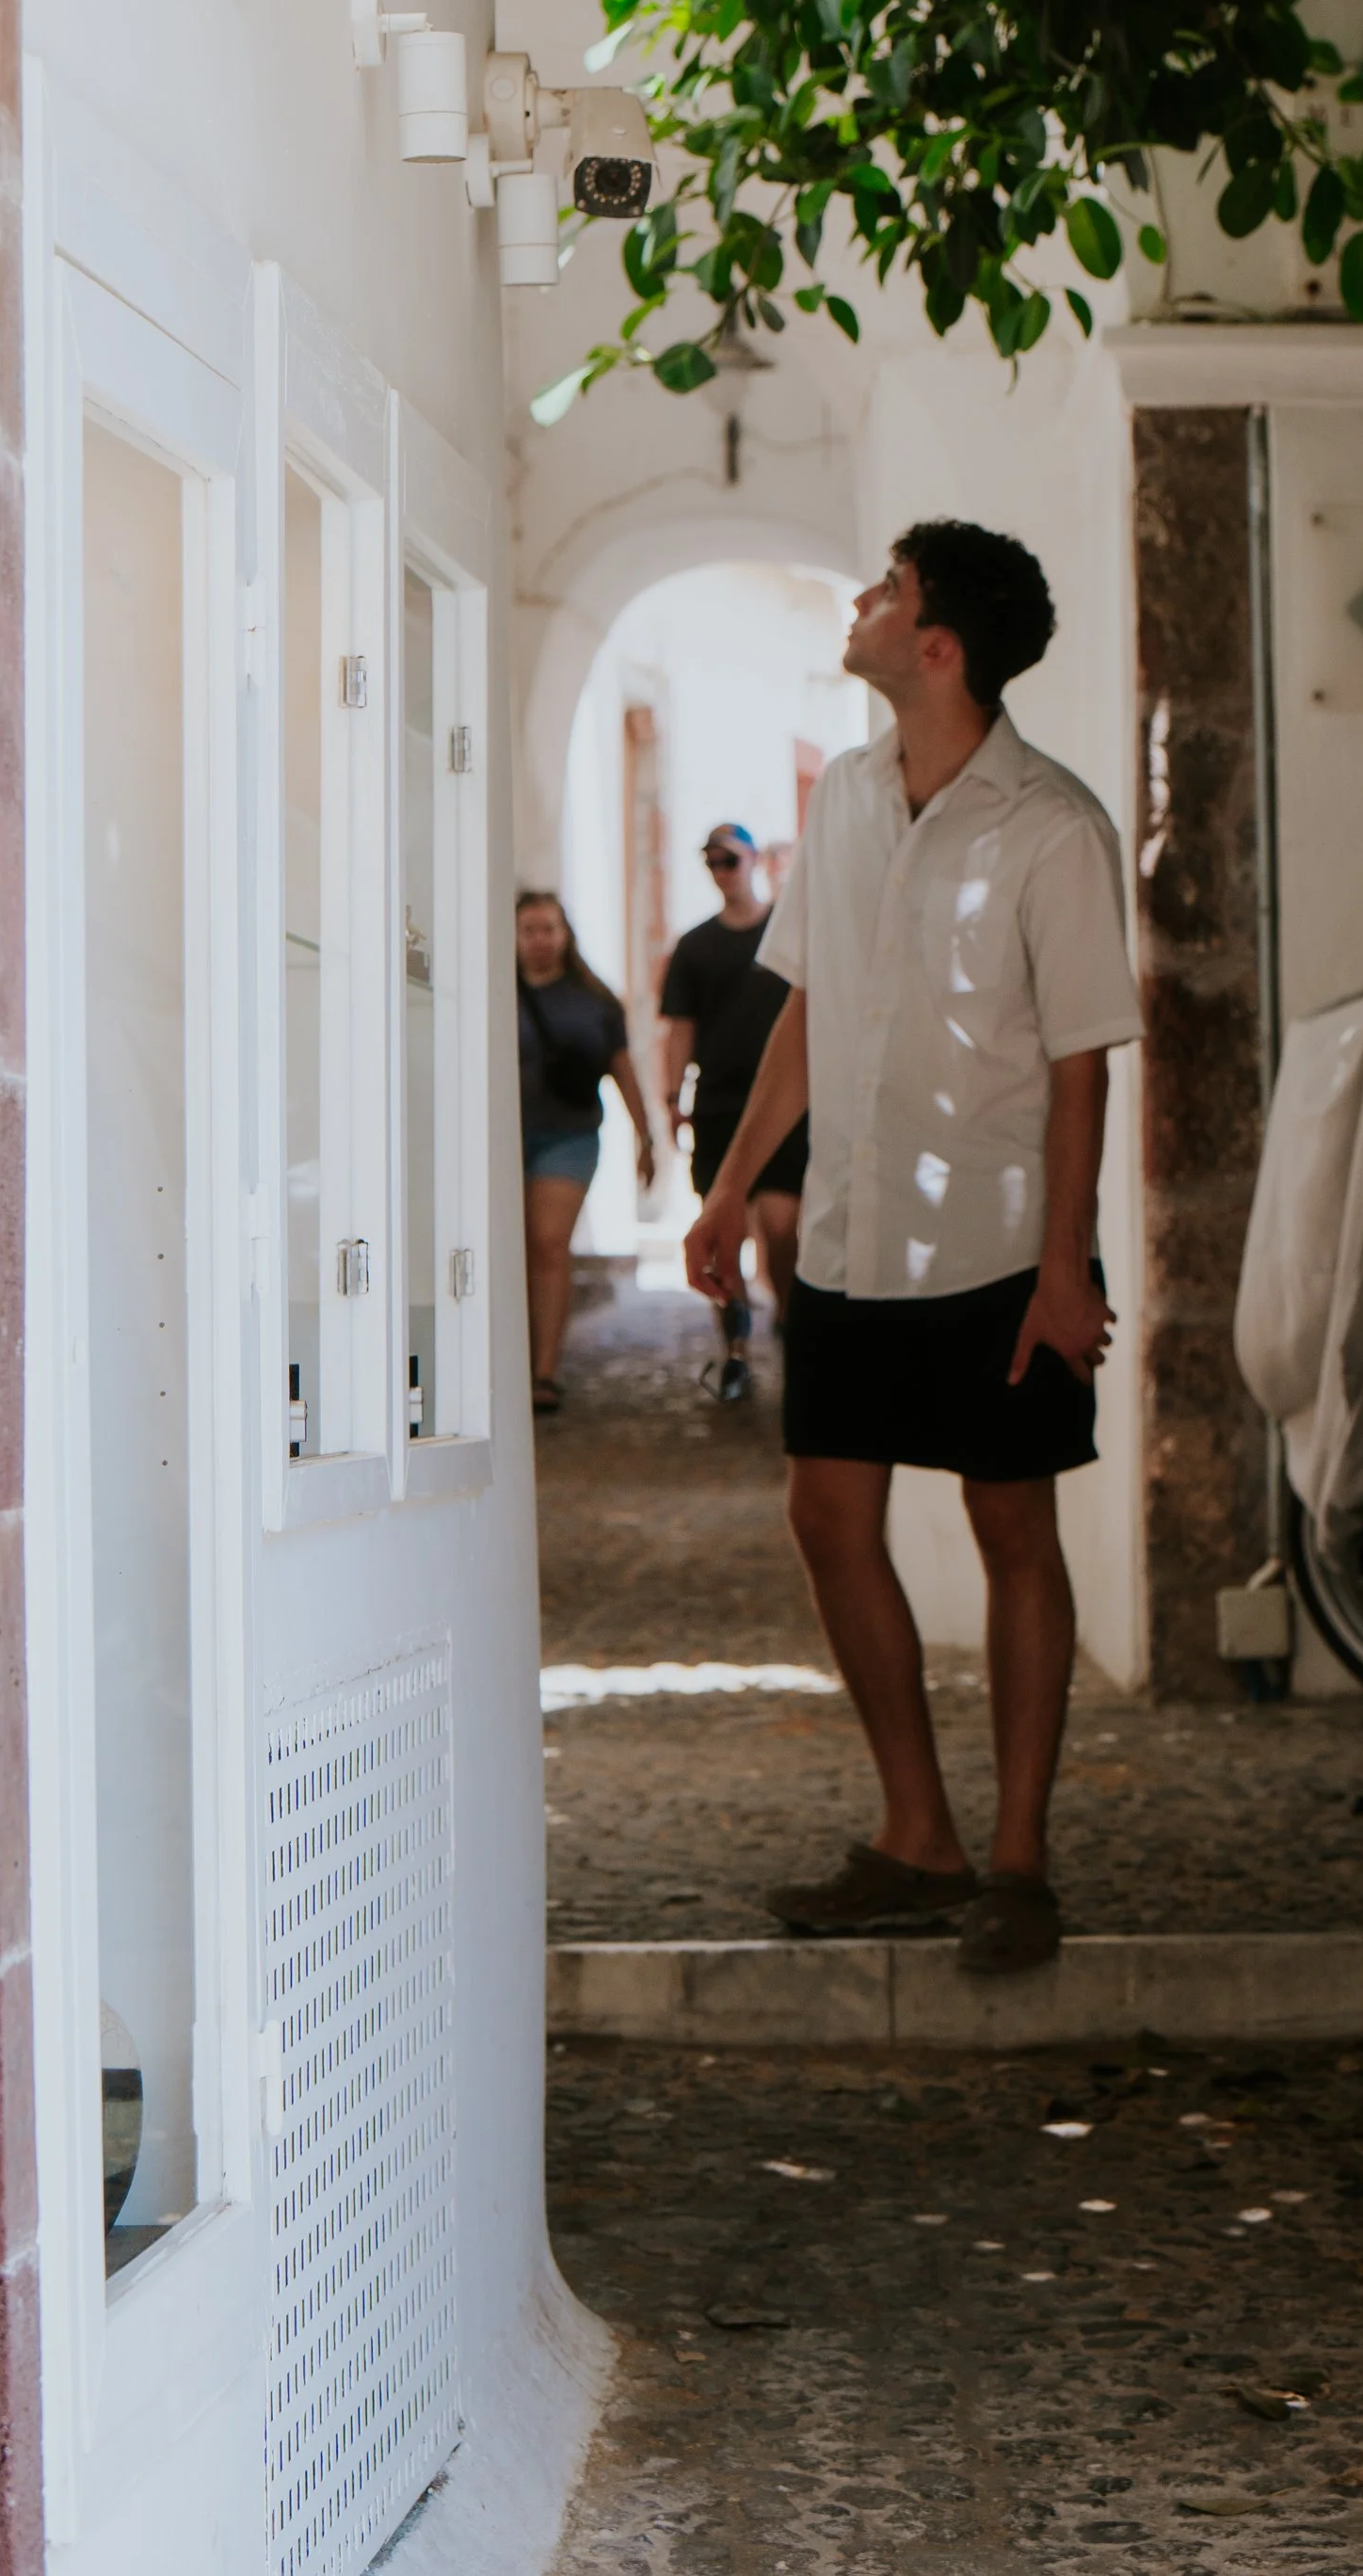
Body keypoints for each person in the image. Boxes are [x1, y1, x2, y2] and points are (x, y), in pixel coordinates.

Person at [685, 520, 1142, 1976]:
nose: (863, 600)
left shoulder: (1054, 827)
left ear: (937, 646)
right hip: (848, 1237)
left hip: (1002, 1249)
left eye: (888, 588)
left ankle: (1018, 1863)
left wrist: (1066, 1266)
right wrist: (729, 1187)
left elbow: (1082, 1060)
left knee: (1014, 1532)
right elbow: (811, 1009)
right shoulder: (845, 798)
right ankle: (918, 1834)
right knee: (828, 1516)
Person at [661, 824, 807, 1405]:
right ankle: (736, 1349)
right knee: (725, 1235)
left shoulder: (786, 933)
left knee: (781, 1226)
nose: (722, 871)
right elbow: (679, 1027)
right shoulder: (694, 947)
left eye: (730, 860)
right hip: (718, 1105)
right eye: (712, 862)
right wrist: (671, 1098)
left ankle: (790, 1323)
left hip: (786, 1107)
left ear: (754, 861)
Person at [517, 888, 656, 1413]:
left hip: (568, 1138)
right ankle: (514, 1360)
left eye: (548, 929)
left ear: (565, 934)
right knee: (514, 1250)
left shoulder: (594, 1000)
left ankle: (544, 1370)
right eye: (529, 930)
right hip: (503, 1143)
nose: (539, 940)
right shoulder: (492, 991)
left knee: (549, 1244)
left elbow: (623, 1071)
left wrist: (646, 1137)